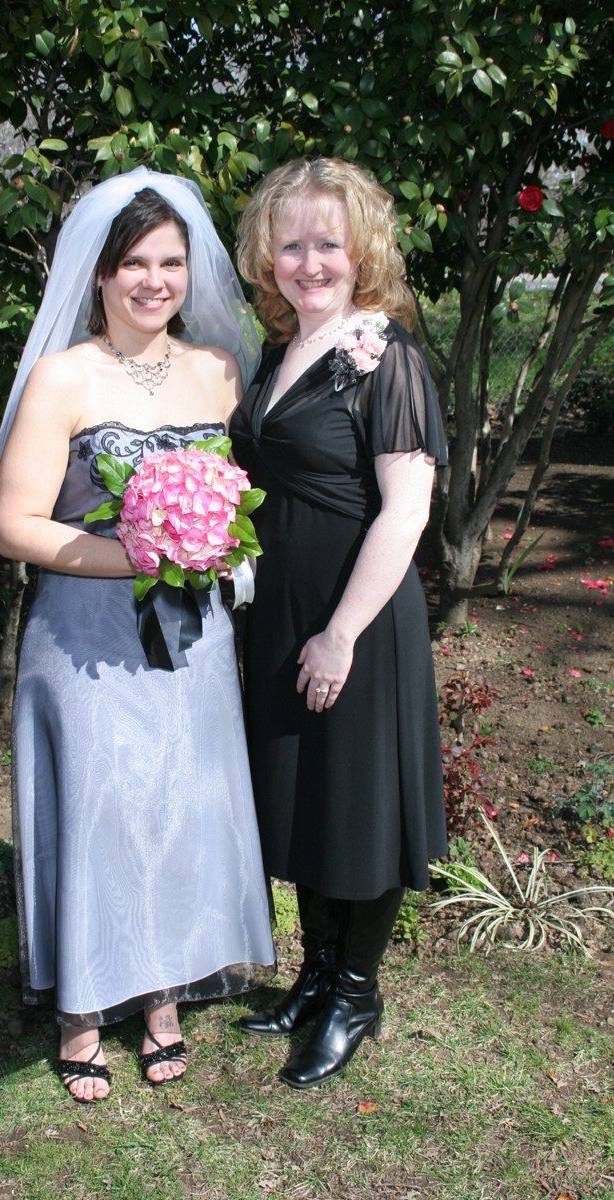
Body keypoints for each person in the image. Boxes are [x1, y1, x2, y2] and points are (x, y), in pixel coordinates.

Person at [0, 169, 275, 1102]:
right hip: (86, 631)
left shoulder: (219, 371)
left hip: (196, 637)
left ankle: (163, 995)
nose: (155, 280)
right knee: (101, 810)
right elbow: (16, 526)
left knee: (179, 804)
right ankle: (82, 1007)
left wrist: (212, 546)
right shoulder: (64, 377)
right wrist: (148, 554)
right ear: (99, 274)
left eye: (171, 262)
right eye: (134, 263)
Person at [230, 157, 448, 1090]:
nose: (310, 262)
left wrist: (341, 634)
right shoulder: (276, 352)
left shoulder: (386, 359)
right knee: (305, 796)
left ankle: (356, 994)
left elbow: (406, 511)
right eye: (292, 245)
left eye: (329, 243)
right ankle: (315, 976)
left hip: (356, 619)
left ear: (363, 251)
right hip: (283, 613)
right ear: (266, 256)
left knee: (356, 803)